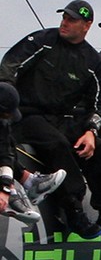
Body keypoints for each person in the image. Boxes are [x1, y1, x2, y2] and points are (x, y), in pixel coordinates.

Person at [0, 0, 101, 240]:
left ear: (87, 25)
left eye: (72, 20)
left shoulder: (94, 62)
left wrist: (91, 131)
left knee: (100, 148)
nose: (65, 22)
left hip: (63, 119)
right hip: (27, 114)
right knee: (57, 144)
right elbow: (9, 67)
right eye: (64, 17)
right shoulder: (41, 41)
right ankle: (74, 211)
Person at [0, 82, 67, 224]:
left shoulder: (2, 123)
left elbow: (5, 152)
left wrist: (5, 186)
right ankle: (19, 190)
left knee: (7, 143)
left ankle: (28, 183)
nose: (6, 118)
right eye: (5, 114)